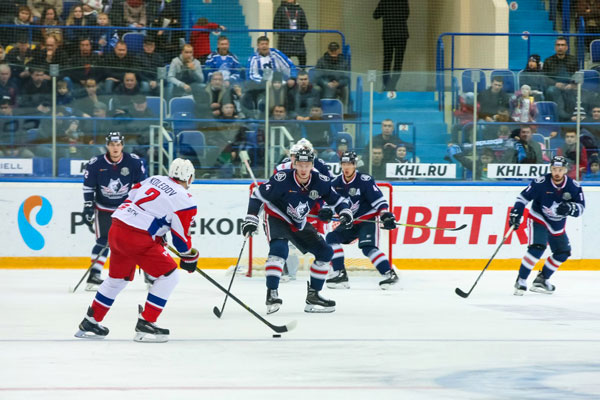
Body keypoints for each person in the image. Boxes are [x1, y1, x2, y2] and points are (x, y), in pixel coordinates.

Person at [75, 158, 198, 342]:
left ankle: (90, 321)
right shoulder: (186, 200)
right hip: (137, 238)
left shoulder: (154, 179)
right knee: (170, 275)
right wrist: (189, 257)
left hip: (117, 228)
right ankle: (147, 322)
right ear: (189, 178)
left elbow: (131, 197)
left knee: (117, 279)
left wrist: (156, 231)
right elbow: (181, 240)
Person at [242, 148, 353, 314]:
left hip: (298, 221)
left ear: (312, 165)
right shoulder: (282, 178)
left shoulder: (320, 181)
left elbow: (338, 200)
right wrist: (251, 218)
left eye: (307, 165)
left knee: (325, 252)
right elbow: (257, 196)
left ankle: (314, 295)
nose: (303, 169)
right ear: (294, 164)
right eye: (300, 164)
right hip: (276, 216)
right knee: (279, 250)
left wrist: (344, 212)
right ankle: (272, 293)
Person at [509, 156, 585, 295]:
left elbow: (581, 208)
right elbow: (522, 198)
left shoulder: (574, 186)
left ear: (565, 170)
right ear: (550, 169)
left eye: (560, 170)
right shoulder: (541, 183)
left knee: (563, 252)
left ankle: (542, 279)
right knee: (538, 247)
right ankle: (521, 280)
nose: (557, 172)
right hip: (539, 217)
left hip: (557, 223)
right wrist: (516, 212)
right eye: (554, 169)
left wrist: (570, 208)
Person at [81, 132, 147, 290]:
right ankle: (94, 275)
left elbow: (142, 185)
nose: (115, 148)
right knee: (104, 241)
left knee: (139, 242)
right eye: (112, 145)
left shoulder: (133, 162)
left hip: (126, 210)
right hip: (103, 209)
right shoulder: (95, 163)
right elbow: (88, 186)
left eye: (118, 144)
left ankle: (150, 275)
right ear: (107, 146)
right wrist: (88, 205)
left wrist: (141, 205)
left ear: (122, 145)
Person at [324, 151, 398, 289]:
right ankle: (340, 274)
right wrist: (326, 211)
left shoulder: (364, 180)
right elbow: (330, 203)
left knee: (368, 248)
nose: (347, 167)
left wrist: (385, 215)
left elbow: (379, 201)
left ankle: (390, 275)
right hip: (349, 221)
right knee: (331, 238)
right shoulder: (335, 183)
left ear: (355, 165)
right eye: (344, 164)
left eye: (350, 164)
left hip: (367, 220)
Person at [373, 0, 409, 92]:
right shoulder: (404, 1)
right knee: (398, 62)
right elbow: (406, 15)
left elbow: (375, 15)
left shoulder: (384, 1)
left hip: (388, 35)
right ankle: (392, 86)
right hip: (401, 35)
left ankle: (387, 85)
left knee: (387, 61)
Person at [543, 37, 579, 121]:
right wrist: (555, 84)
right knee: (552, 90)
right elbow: (544, 78)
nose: (560, 47)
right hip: (554, 86)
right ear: (555, 47)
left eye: (562, 45)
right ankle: (561, 115)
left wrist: (573, 85)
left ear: (566, 47)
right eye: (558, 45)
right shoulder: (548, 61)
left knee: (575, 91)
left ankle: (572, 117)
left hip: (569, 86)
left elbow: (577, 75)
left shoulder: (573, 60)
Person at [273, 0, 309, 67]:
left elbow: (305, 25)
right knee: (285, 61)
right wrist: (285, 35)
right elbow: (276, 25)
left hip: (298, 40)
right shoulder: (281, 9)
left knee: (303, 57)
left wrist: (299, 35)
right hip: (285, 41)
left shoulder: (299, 9)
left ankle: (302, 71)